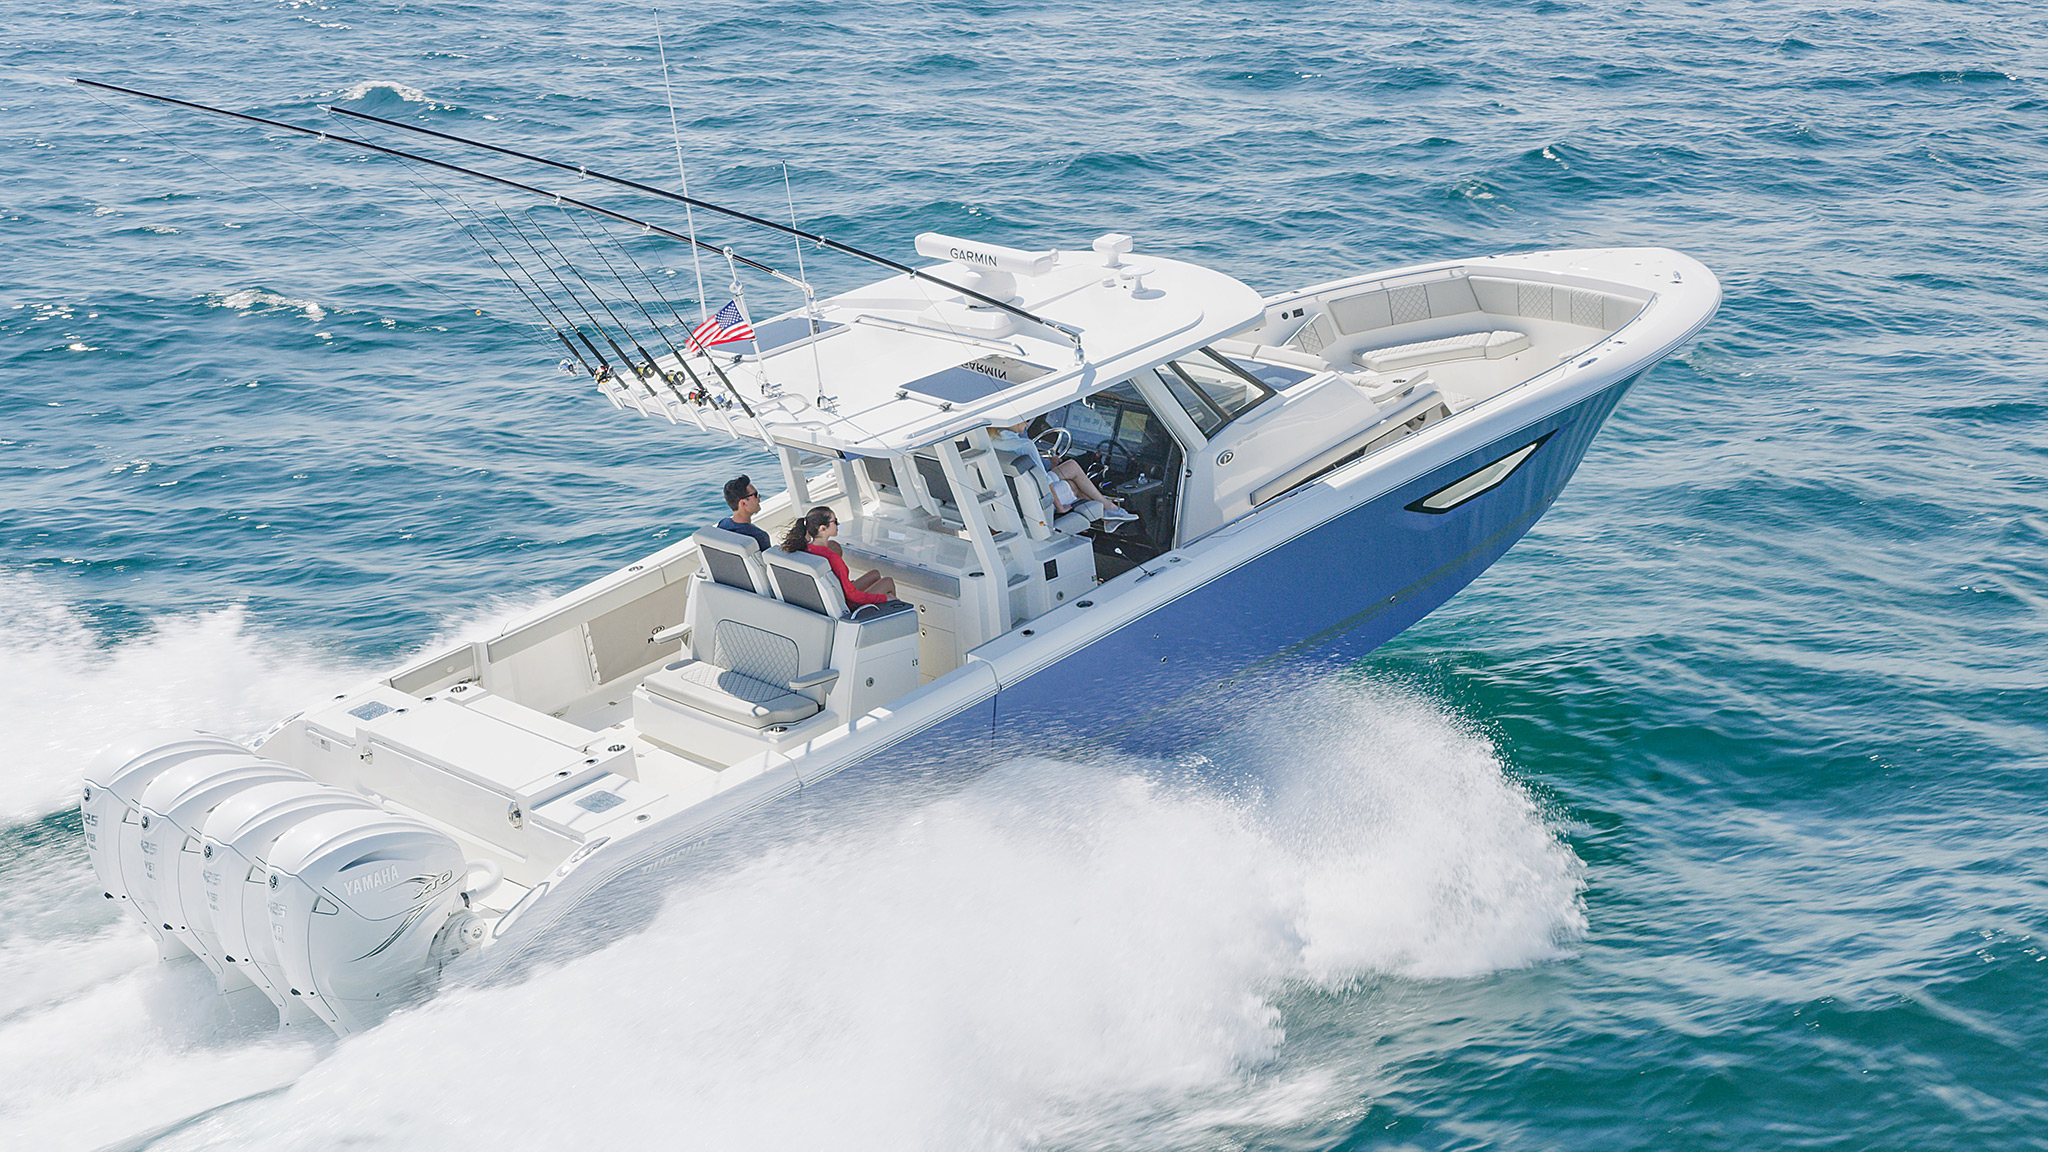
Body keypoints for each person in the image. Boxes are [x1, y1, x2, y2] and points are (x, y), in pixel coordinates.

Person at [997, 422, 1137, 522]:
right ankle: (1109, 508)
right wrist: (1060, 507)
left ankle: (1108, 510)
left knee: (1072, 470)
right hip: (1037, 496)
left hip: (1016, 495)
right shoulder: (1025, 446)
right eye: (1025, 420)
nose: (1027, 424)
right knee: (1073, 480)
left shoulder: (992, 442)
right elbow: (1045, 482)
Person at [780, 506, 895, 607]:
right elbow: (852, 596)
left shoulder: (806, 548)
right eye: (834, 522)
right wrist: (884, 598)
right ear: (822, 529)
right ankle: (894, 612)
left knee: (875, 574)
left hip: (837, 593)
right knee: (888, 582)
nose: (838, 524)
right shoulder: (832, 557)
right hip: (849, 603)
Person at [716, 475, 772, 551]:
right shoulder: (759, 536)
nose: (760, 497)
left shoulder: (723, 525)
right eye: (755, 495)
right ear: (743, 503)